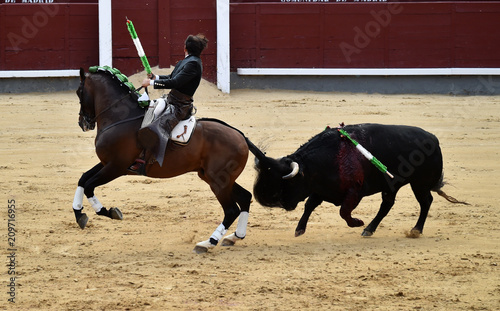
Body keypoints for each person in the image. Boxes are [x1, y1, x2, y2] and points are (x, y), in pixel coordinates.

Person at [129, 34, 208, 174]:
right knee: (148, 113)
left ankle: (146, 160)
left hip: (180, 106)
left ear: (185, 47)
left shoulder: (193, 64)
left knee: (158, 127)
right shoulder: (188, 61)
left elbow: (175, 82)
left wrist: (151, 83)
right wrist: (156, 77)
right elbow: (172, 77)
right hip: (171, 100)